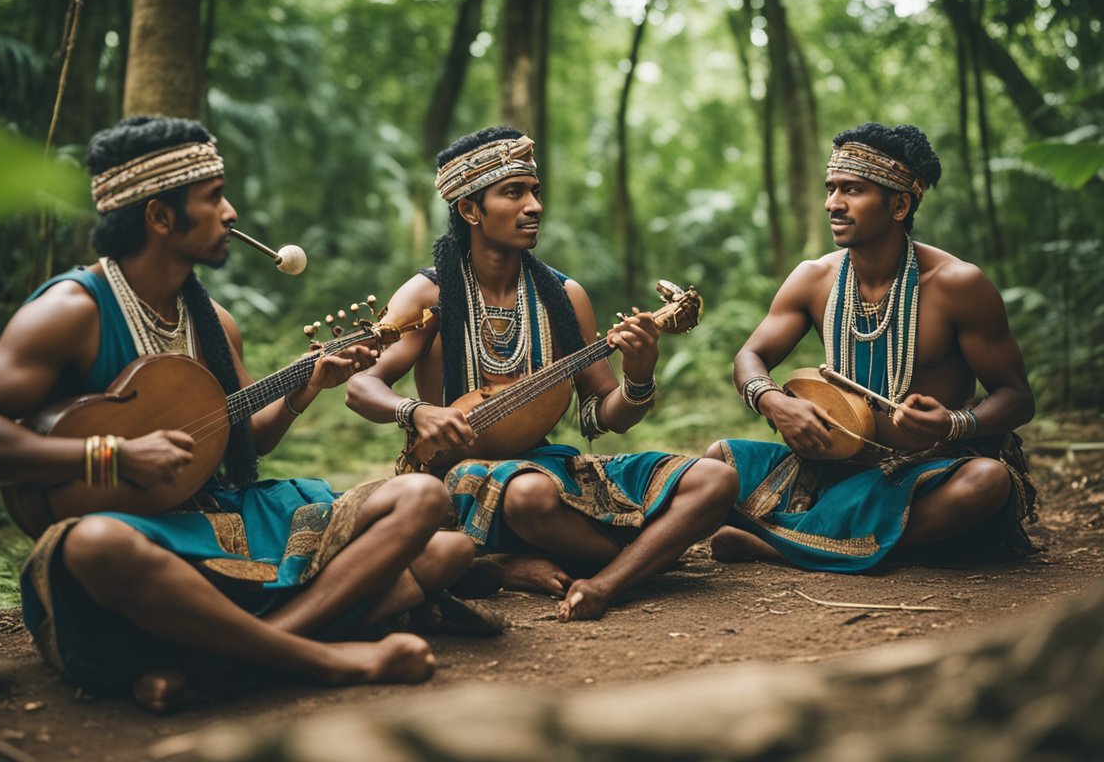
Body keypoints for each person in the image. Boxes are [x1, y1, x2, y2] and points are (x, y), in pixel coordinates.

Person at [0, 116, 481, 712]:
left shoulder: (213, 323)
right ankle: (322, 655)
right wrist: (113, 454)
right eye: (214, 198)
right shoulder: (71, 311)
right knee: (94, 544)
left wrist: (301, 389)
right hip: (141, 541)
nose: (231, 213)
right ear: (161, 218)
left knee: (426, 507)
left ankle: (226, 664)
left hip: (220, 521)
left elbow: (246, 442)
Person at [346, 126, 738, 622]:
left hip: (553, 471)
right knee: (528, 493)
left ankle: (602, 582)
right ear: (470, 211)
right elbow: (361, 387)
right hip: (465, 477)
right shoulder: (430, 294)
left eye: (535, 191)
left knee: (717, 480)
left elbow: (604, 415)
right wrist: (416, 411)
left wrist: (639, 373)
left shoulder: (563, 296)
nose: (534, 205)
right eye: (514, 192)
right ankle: (633, 556)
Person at [706, 122, 1038, 571]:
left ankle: (779, 544)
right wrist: (773, 402)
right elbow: (750, 357)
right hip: (825, 466)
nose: (832, 204)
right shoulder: (814, 278)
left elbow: (1017, 398)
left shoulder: (957, 285)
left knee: (986, 482)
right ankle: (835, 536)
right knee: (717, 463)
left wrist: (954, 423)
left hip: (922, 471)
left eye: (852, 190)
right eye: (831, 189)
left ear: (899, 204)